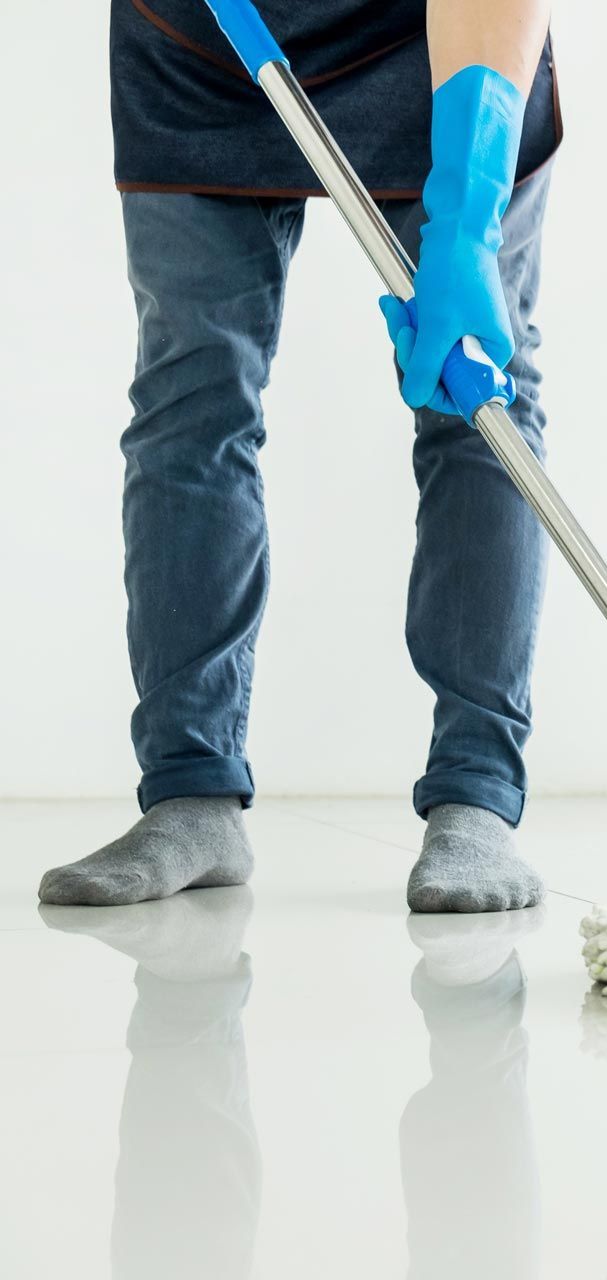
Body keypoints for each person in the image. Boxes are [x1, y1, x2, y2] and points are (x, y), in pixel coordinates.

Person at [38, 0, 564, 913]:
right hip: (200, 37)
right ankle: (189, 794)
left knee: (479, 393)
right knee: (190, 394)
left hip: (428, 46)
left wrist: (469, 215)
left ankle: (476, 802)